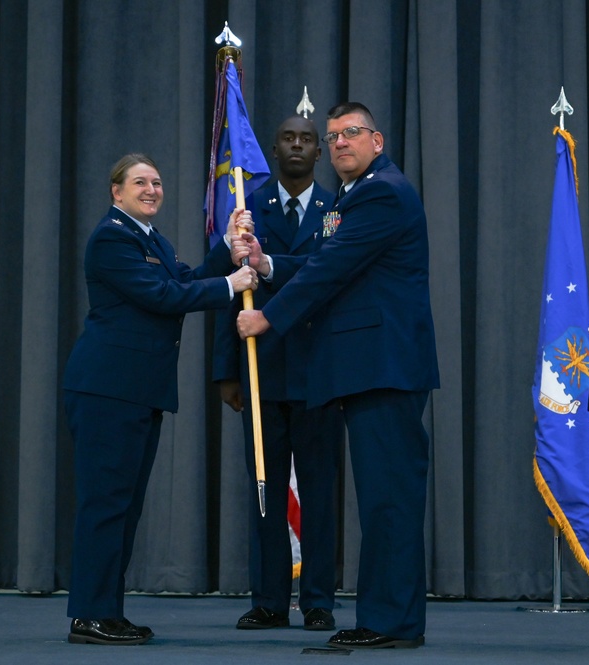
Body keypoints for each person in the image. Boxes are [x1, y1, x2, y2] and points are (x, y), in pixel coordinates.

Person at [235, 102, 439, 650]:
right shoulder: (357, 195)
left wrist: (267, 316)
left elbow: (329, 268)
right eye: (335, 136)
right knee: (381, 501)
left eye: (351, 133)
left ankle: (389, 622)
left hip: (384, 368)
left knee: (389, 501)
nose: (341, 143)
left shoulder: (382, 191)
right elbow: (326, 258)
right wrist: (268, 261)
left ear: (377, 139)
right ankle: (388, 618)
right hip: (369, 369)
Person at [62, 153, 257, 645]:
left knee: (123, 507)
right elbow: (162, 296)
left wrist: (231, 245)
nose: (151, 189)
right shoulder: (112, 238)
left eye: (157, 181)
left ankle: (107, 610)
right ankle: (88, 616)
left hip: (137, 392)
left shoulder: (151, 240)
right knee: (104, 504)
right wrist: (232, 284)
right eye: (140, 182)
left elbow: (184, 279)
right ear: (117, 192)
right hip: (108, 389)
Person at [213, 114, 344, 631]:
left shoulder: (338, 210)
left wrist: (271, 265)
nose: (297, 145)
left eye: (307, 140)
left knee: (318, 491)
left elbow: (327, 277)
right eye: (288, 138)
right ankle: (268, 599)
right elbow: (231, 290)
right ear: (273, 149)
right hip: (261, 370)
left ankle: (318, 600)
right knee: (265, 488)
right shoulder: (250, 208)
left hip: (319, 372)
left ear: (320, 152)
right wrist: (228, 371)